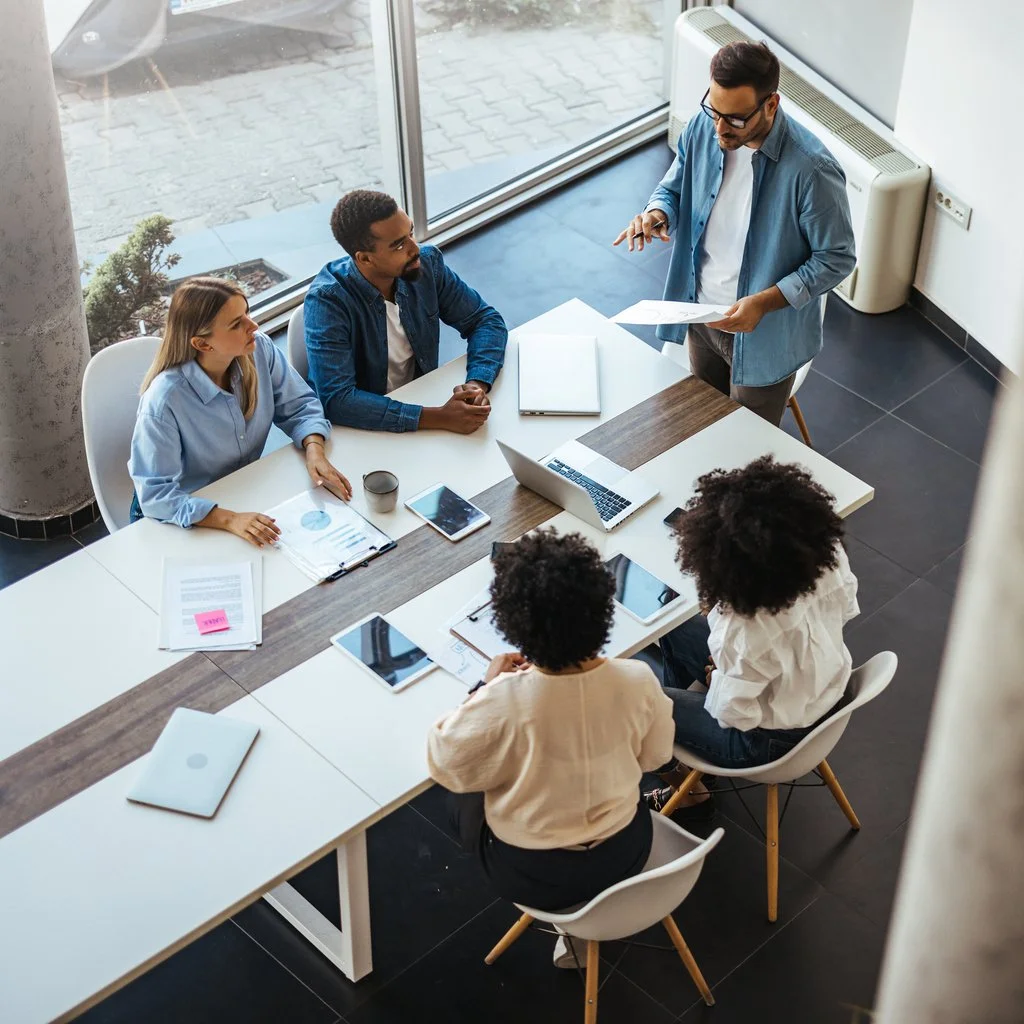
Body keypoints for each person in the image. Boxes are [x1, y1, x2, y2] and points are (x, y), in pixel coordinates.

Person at [426, 529, 675, 926]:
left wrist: (483, 688)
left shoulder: (504, 699)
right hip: (626, 851)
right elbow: (657, 756)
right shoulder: (638, 679)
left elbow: (444, 762)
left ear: (515, 627)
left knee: (460, 793)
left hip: (537, 877)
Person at [614, 41, 855, 427]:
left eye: (737, 119)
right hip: (700, 313)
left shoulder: (812, 170)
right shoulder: (703, 126)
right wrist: (657, 212)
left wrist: (764, 302)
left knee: (746, 449)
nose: (721, 128)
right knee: (697, 424)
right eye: (714, 110)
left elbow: (837, 259)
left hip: (763, 335)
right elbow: (673, 188)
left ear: (771, 105)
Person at [647, 456, 860, 811]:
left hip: (765, 744)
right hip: (827, 694)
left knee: (641, 702)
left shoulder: (743, 630)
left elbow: (733, 715)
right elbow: (847, 609)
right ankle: (678, 725)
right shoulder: (828, 556)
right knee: (673, 621)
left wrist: (719, 677)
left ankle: (687, 788)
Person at [129, 277, 352, 547]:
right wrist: (230, 519)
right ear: (202, 344)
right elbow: (156, 496)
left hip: (242, 492)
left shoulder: (260, 351)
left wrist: (315, 452)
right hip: (180, 515)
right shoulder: (164, 401)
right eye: (237, 324)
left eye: (246, 312)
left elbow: (301, 406)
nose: (253, 326)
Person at [304, 189, 508, 434]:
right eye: (399, 245)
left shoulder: (427, 264)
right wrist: (438, 418)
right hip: (361, 430)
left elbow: (484, 320)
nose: (415, 249)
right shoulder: (328, 302)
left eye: (410, 232)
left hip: (422, 399)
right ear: (365, 259)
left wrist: (476, 384)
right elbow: (338, 400)